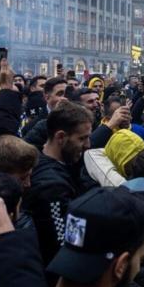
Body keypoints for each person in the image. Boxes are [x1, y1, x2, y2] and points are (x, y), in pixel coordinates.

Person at [21, 100, 94, 267]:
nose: (88, 145)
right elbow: (63, 242)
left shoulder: (66, 164)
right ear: (60, 137)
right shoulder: (52, 187)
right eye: (82, 138)